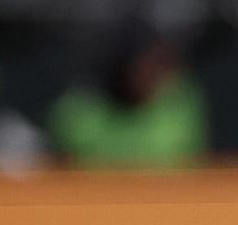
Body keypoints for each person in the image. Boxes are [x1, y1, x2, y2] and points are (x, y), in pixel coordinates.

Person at [51, 36, 208, 167]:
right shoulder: (79, 110)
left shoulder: (180, 104)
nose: (154, 76)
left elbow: (180, 161)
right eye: (144, 68)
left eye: (160, 66)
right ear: (123, 68)